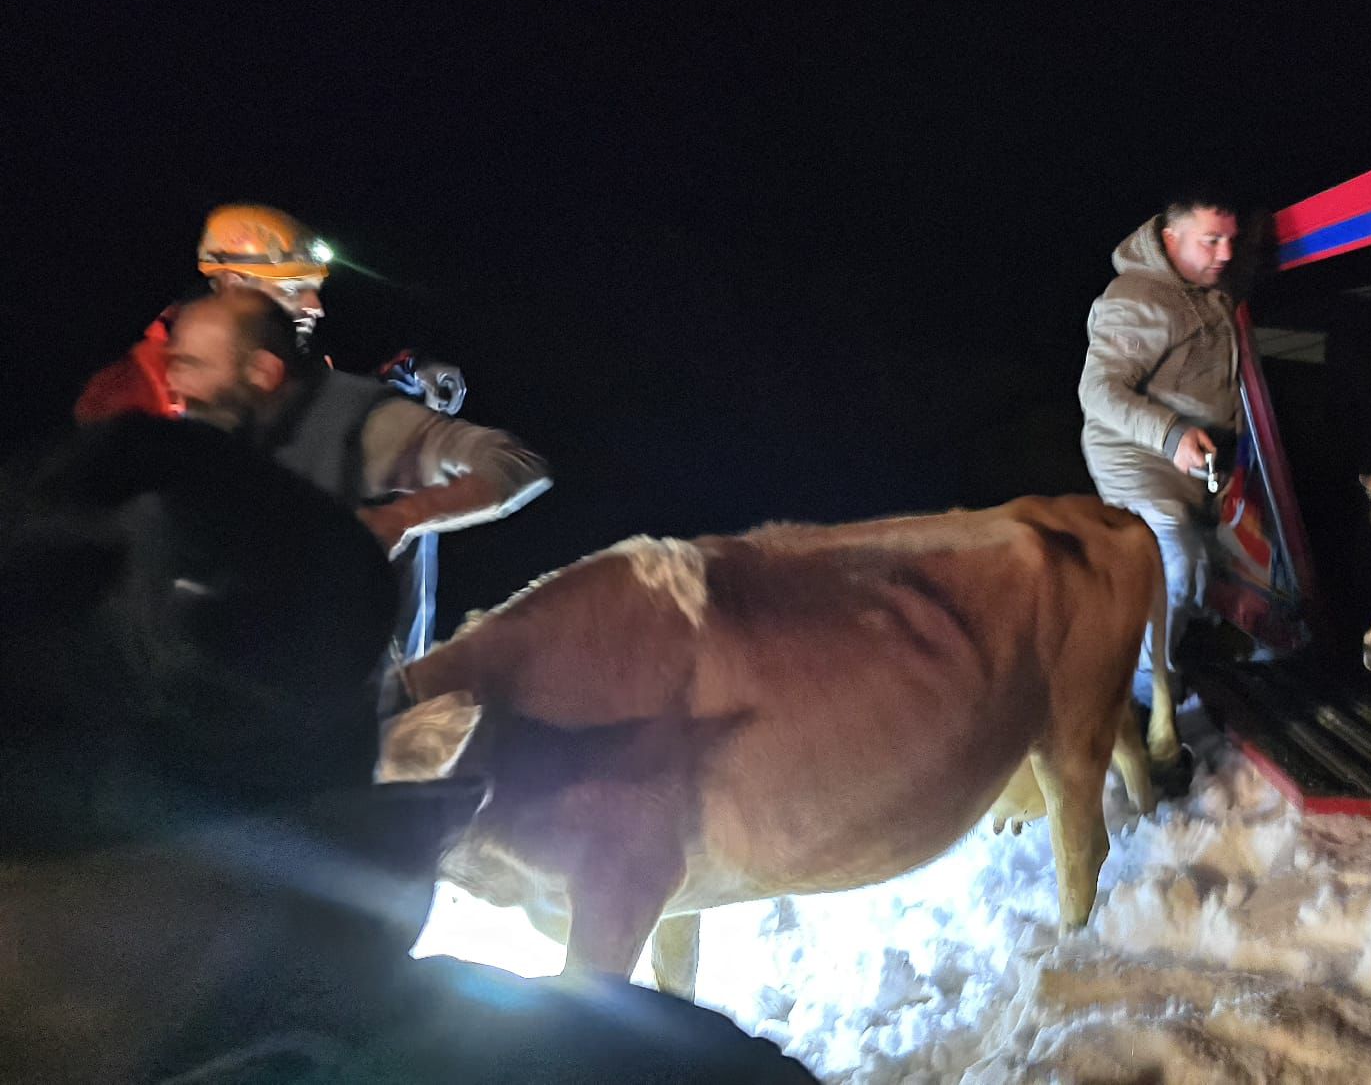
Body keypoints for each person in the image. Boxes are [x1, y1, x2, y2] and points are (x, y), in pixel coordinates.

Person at [0, 414, 816, 1084]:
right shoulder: (597, 1062)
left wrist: (400, 518)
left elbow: (511, 463)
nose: (183, 360)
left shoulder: (355, 410)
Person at [165, 287, 552, 673]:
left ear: (262, 372)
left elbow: (516, 463)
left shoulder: (360, 426)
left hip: (344, 712)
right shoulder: (212, 432)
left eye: (192, 366)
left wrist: (402, 517)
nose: (174, 381)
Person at [1078, 189, 1243, 705]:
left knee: (1211, 560)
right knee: (1174, 556)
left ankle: (1184, 650)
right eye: (1211, 240)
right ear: (1171, 240)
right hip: (1137, 458)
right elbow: (1098, 390)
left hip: (1195, 462)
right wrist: (1169, 435)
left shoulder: (1204, 289)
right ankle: (1148, 698)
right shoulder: (1137, 297)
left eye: (1231, 240)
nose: (1226, 254)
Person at [75, 202, 332, 423]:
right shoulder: (133, 388)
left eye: (314, 291)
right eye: (293, 290)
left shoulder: (310, 370)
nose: (315, 308)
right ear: (232, 285)